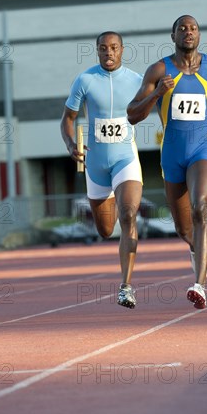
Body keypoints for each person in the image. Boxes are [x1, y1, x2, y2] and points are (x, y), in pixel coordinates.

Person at [127, 15, 207, 309]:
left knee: (201, 207)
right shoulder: (159, 69)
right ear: (172, 35)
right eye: (182, 29)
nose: (188, 32)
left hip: (202, 149)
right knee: (184, 228)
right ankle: (198, 250)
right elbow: (132, 114)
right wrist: (159, 92)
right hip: (171, 155)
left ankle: (200, 284)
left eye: (193, 28)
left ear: (200, 34)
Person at [61, 32, 144, 309]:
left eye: (114, 48)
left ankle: (126, 286)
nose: (109, 52)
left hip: (125, 159)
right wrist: (70, 143)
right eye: (103, 48)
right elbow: (68, 119)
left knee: (129, 214)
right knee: (106, 229)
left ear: (122, 50)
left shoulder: (136, 80)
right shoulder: (85, 80)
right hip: (95, 164)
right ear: (97, 51)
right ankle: (124, 276)